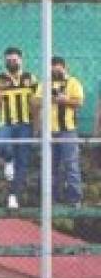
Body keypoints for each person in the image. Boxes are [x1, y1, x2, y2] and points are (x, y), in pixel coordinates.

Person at [0, 47, 38, 210]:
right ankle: (8, 160)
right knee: (2, 145)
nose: (12, 62)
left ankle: (13, 195)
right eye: (8, 60)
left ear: (21, 60)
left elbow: (37, 105)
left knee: (23, 161)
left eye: (14, 60)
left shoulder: (30, 78)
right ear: (4, 61)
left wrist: (37, 126)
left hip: (25, 124)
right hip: (6, 122)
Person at [36, 56, 85, 206]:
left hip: (67, 130)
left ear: (64, 67)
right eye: (52, 67)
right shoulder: (45, 83)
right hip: (49, 131)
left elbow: (79, 102)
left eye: (58, 66)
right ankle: (51, 199)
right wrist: (49, 98)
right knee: (50, 165)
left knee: (71, 165)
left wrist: (65, 100)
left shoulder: (73, 82)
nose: (55, 69)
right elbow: (36, 101)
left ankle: (74, 200)